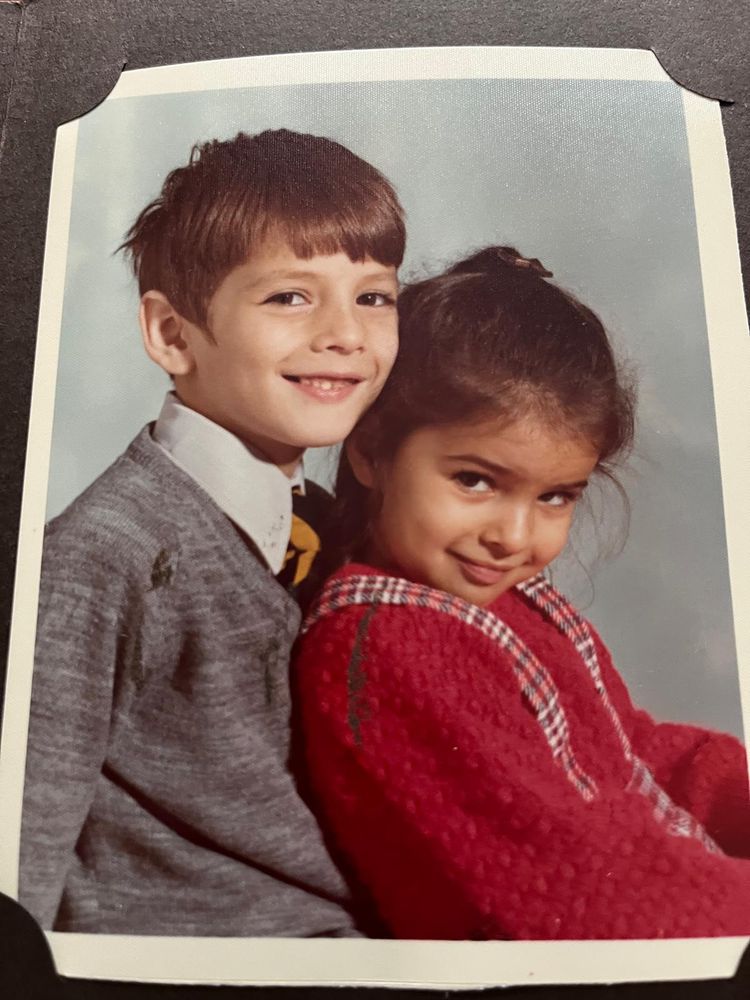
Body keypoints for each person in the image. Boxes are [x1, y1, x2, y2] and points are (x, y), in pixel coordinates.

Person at [293, 246, 750, 940]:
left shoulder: (496, 602)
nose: (513, 536)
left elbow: (627, 750)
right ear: (371, 450)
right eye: (475, 480)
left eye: (556, 496)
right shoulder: (383, 649)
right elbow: (580, 884)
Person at [20, 128, 405, 936]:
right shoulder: (101, 556)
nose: (345, 332)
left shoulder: (334, 528)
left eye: (373, 296)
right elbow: (19, 852)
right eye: (289, 297)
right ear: (171, 335)